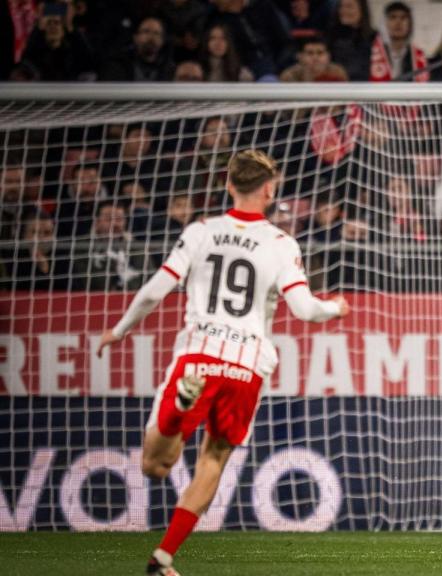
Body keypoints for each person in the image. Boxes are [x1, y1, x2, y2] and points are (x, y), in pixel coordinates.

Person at [96, 150, 351, 575]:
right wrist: (335, 308)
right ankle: (164, 556)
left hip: (199, 353)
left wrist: (120, 330)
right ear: (269, 191)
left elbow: (155, 289)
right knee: (213, 460)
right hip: (246, 365)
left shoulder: (202, 231)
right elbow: (306, 310)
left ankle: (181, 406)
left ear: (229, 185)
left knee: (155, 466)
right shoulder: (281, 243)